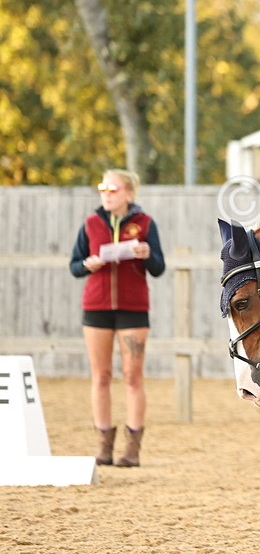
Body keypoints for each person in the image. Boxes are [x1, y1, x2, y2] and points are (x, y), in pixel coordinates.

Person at [69, 169, 166, 466]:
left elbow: (158, 267)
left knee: (132, 376)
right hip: (96, 307)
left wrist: (146, 253)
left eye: (112, 189)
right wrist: (88, 264)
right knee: (100, 376)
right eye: (103, 189)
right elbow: (74, 266)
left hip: (133, 309)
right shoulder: (90, 224)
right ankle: (104, 446)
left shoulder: (145, 224)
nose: (106, 194)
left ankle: (133, 449)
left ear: (128, 193)